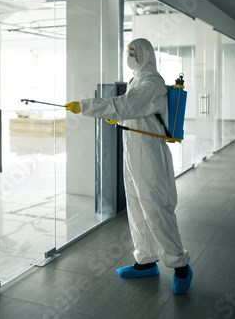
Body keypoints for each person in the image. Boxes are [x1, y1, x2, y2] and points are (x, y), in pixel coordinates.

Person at [65, 38, 193, 294]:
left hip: (150, 155)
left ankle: (180, 265)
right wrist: (115, 117)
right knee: (136, 209)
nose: (129, 55)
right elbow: (130, 110)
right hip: (133, 153)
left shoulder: (152, 82)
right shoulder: (137, 80)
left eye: (133, 52)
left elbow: (128, 105)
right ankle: (145, 262)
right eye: (128, 52)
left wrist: (88, 106)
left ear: (145, 54)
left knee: (157, 208)